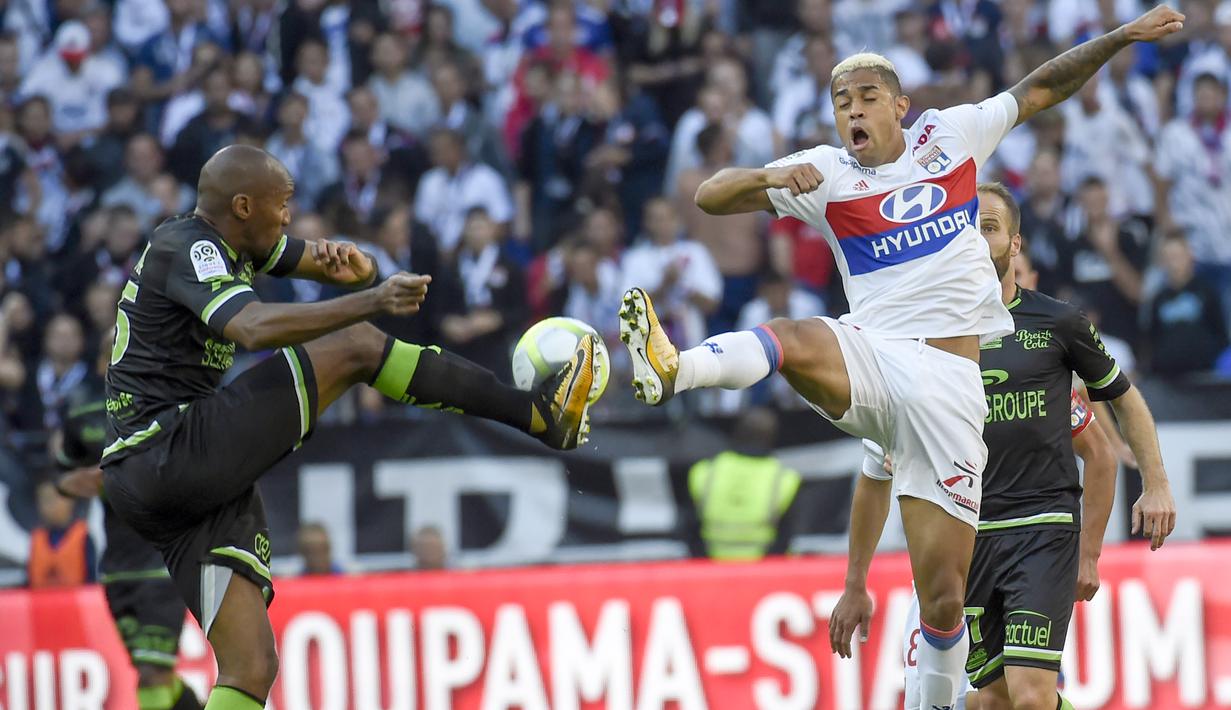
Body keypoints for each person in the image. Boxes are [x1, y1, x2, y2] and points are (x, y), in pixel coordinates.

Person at [619, 9, 1184, 708]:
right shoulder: (824, 174)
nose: (850, 111)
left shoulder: (949, 138)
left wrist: (1120, 37)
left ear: (898, 106)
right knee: (793, 334)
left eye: (863, 98)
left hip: (950, 391)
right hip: (880, 360)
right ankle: (676, 367)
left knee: (942, 602)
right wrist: (768, 176)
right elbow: (709, 195)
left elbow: (1041, 88)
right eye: (839, 102)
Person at [100, 145, 599, 710]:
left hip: (158, 481)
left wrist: (346, 262)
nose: (289, 217)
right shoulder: (188, 246)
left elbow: (303, 256)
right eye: (281, 205)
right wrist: (371, 300)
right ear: (242, 206)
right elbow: (254, 326)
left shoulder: (230, 240)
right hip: (168, 446)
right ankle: (537, 414)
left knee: (250, 666)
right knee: (359, 345)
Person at [833, 183, 1175, 710]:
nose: (976, 236)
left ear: (1015, 244)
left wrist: (1152, 487)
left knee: (1032, 695)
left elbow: (1120, 408)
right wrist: (856, 582)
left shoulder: (1057, 324)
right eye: (966, 227)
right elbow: (877, 468)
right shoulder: (928, 337)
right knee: (991, 700)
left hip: (1042, 529)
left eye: (989, 226)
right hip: (963, 541)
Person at [53, 336, 203, 710]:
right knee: (153, 677)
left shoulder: (168, 408)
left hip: (161, 565)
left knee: (152, 677)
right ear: (106, 359)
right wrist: (69, 484)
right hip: (116, 571)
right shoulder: (84, 417)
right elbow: (59, 476)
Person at [688, 407, 800, 560]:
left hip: (712, 567)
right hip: (763, 571)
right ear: (773, 438)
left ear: (735, 433)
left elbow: (690, 529)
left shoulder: (704, 471)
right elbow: (787, 537)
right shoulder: (785, 479)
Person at [27, 479, 96, 588]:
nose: (48, 507)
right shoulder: (36, 538)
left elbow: (92, 576)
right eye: (44, 501)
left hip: (77, 602)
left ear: (69, 501)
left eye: (53, 500)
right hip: (41, 603)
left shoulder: (83, 536)